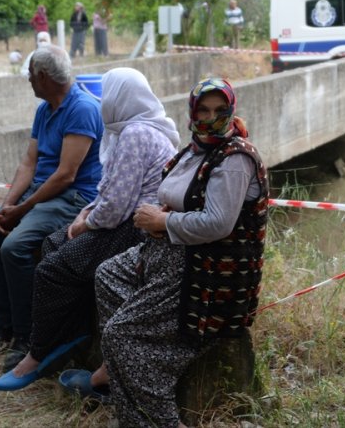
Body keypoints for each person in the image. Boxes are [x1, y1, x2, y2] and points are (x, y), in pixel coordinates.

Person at [59, 77, 270, 427]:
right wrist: (158, 222)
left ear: (232, 111)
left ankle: (152, 409)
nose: (211, 117)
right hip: (168, 252)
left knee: (121, 335)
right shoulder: (195, 150)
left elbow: (218, 223)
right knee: (108, 274)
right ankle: (121, 369)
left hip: (204, 269)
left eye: (220, 110)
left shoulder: (235, 160)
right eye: (203, 109)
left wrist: (162, 221)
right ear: (193, 110)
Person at [0, 68, 179, 391]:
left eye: (108, 94)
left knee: (50, 270)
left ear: (121, 98)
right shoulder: (135, 129)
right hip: (123, 221)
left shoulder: (136, 134)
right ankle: (73, 330)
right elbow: (112, 192)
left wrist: (85, 223)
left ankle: (38, 352)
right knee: (53, 243)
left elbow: (117, 207)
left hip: (135, 231)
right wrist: (87, 212)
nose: (103, 101)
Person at [0, 44, 103, 372]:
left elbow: (66, 176)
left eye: (30, 74)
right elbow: (29, 162)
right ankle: (7, 326)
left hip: (71, 199)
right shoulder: (45, 110)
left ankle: (30, 339)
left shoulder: (82, 108)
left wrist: (22, 209)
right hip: (40, 196)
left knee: (14, 247)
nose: (28, 80)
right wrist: (6, 206)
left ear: (42, 76)